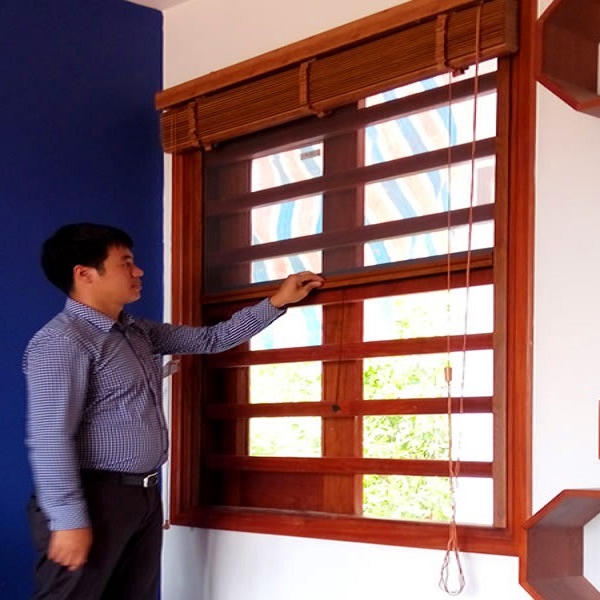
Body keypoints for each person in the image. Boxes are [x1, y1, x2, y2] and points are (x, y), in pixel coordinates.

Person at [24, 222, 324, 599]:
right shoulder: (62, 341)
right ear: (85, 274)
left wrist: (276, 302)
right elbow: (50, 437)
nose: (138, 271)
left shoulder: (136, 332)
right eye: (126, 263)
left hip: (143, 496)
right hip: (93, 499)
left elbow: (211, 339)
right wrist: (68, 520)